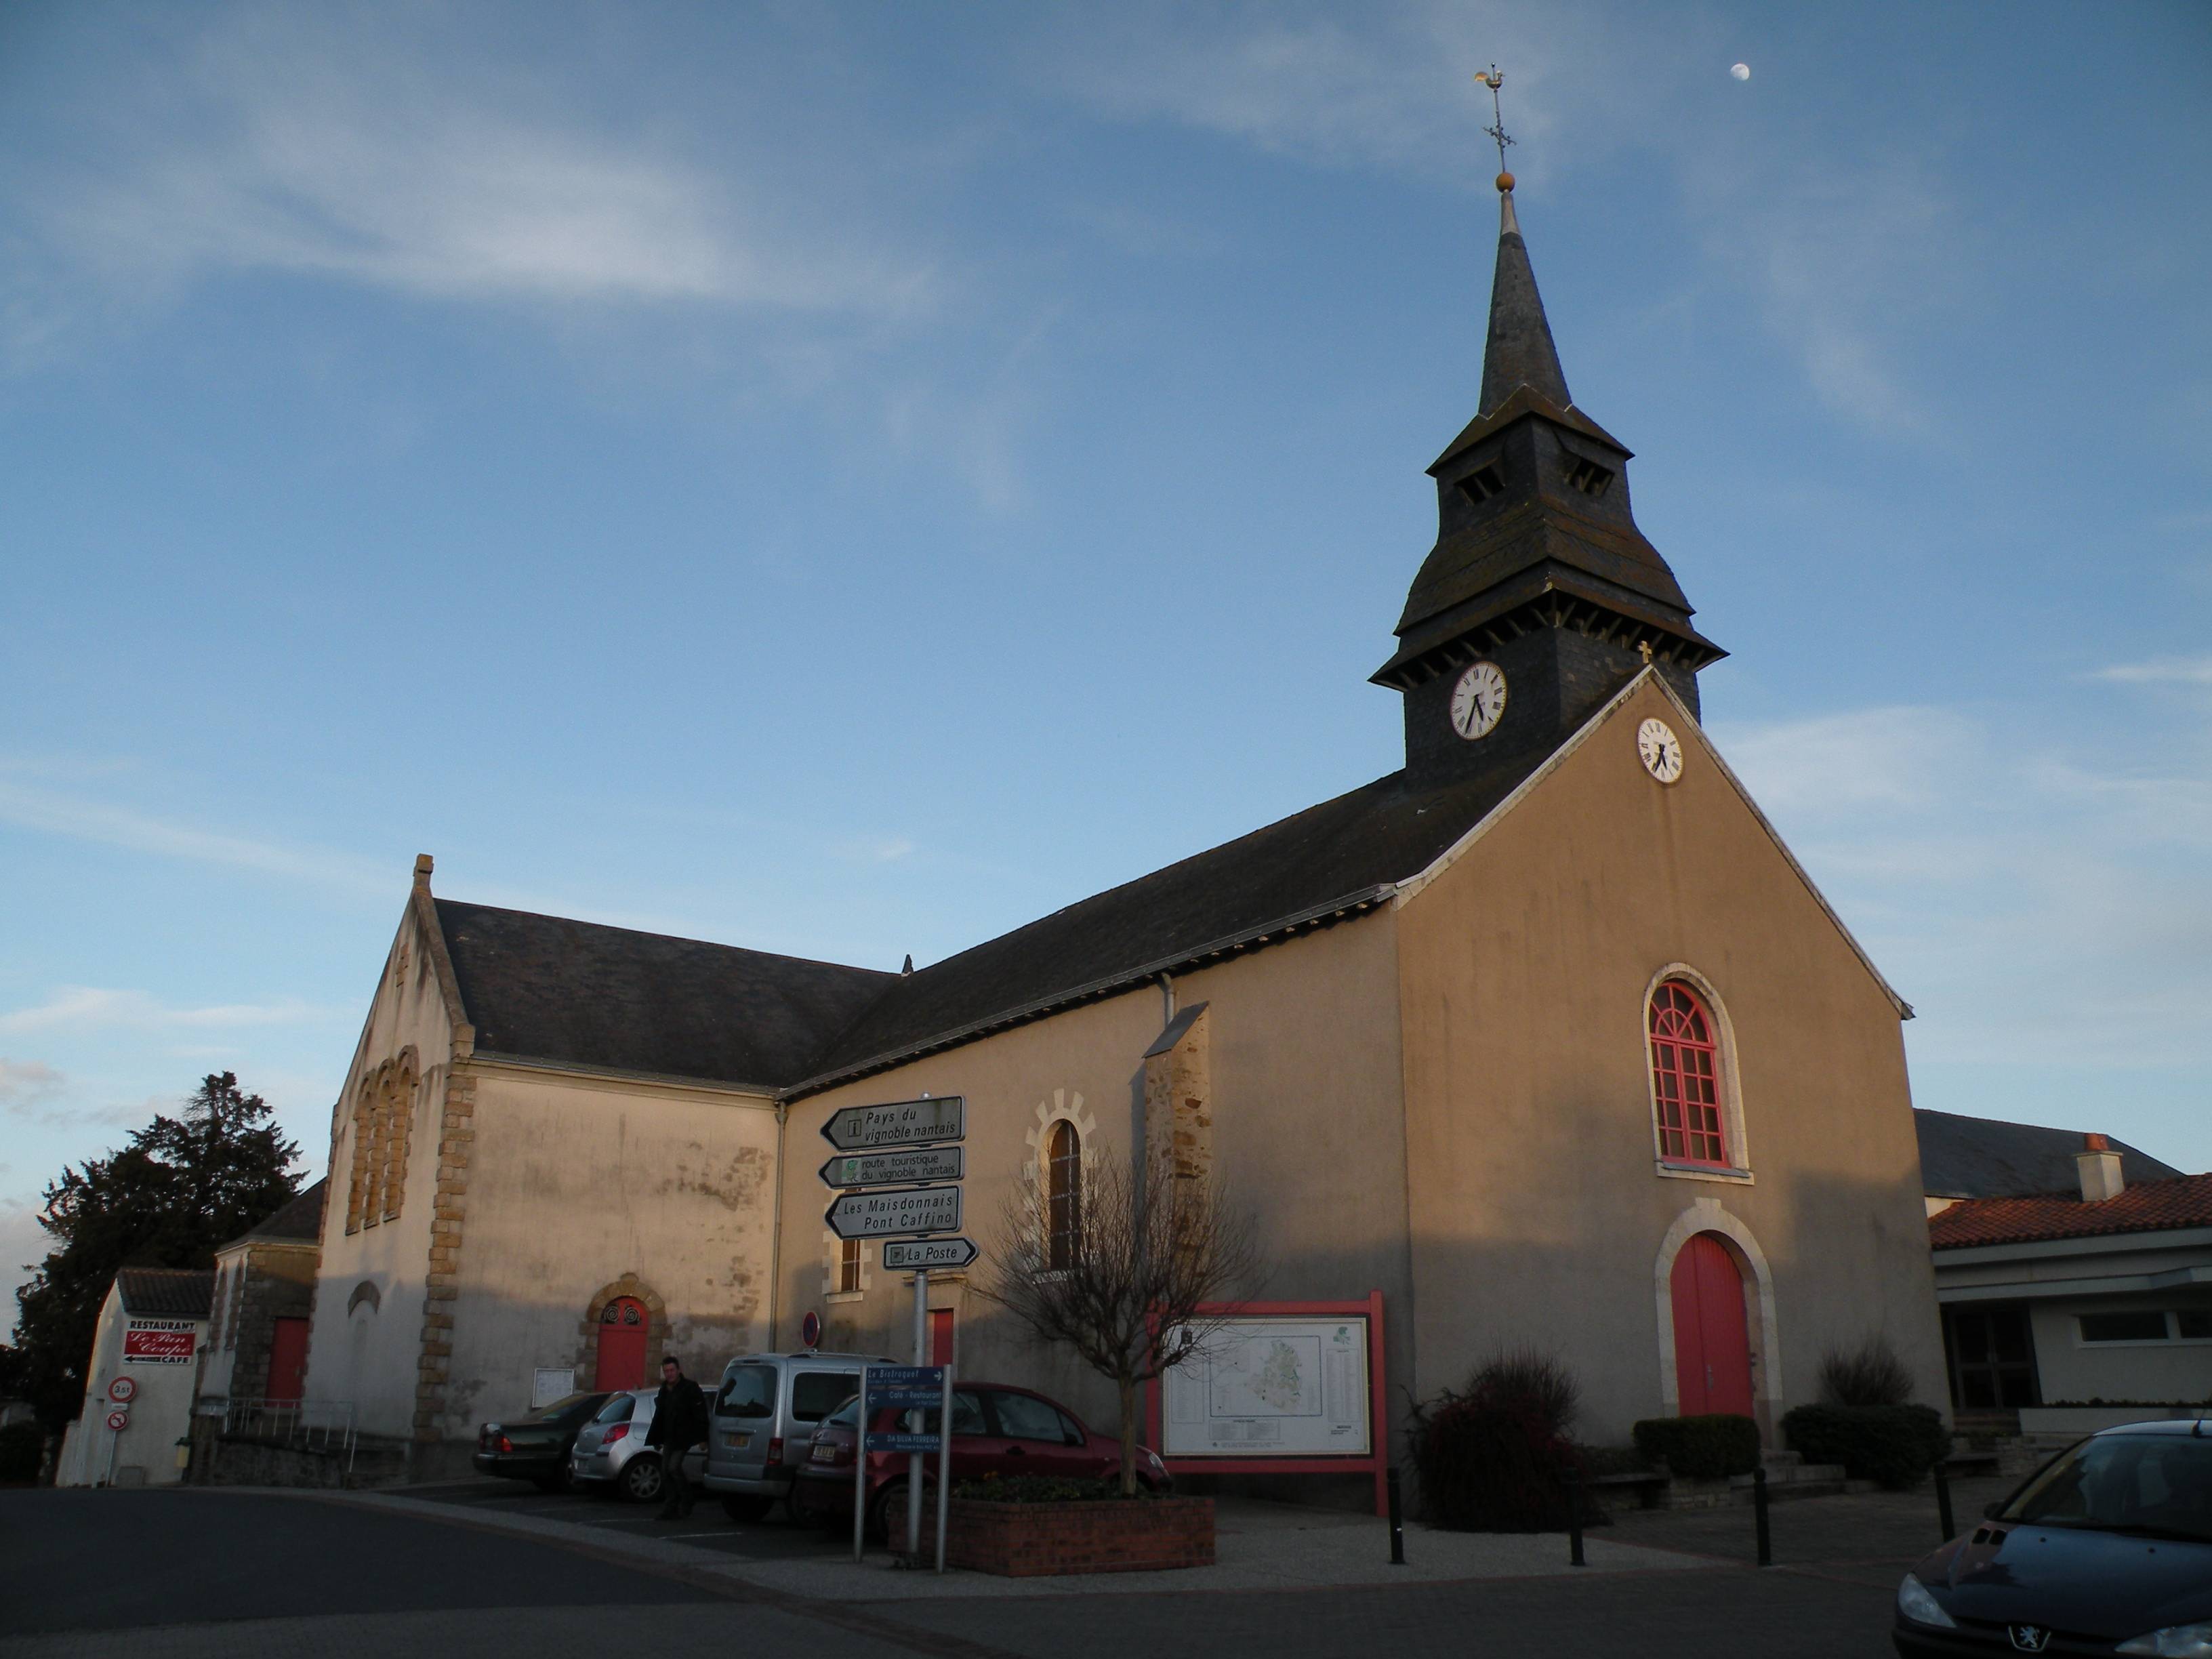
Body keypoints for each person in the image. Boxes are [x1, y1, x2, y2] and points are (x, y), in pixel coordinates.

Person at [644, 1354, 708, 1519]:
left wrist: (703, 1438)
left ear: (679, 1370)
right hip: (669, 1437)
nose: (670, 1374)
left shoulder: (690, 1388)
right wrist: (657, 1439)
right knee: (666, 1471)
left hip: (684, 1436)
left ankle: (687, 1499)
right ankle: (671, 1506)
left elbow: (700, 1413)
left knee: (673, 1467)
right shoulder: (664, 1390)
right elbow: (660, 1416)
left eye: (672, 1370)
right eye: (666, 1371)